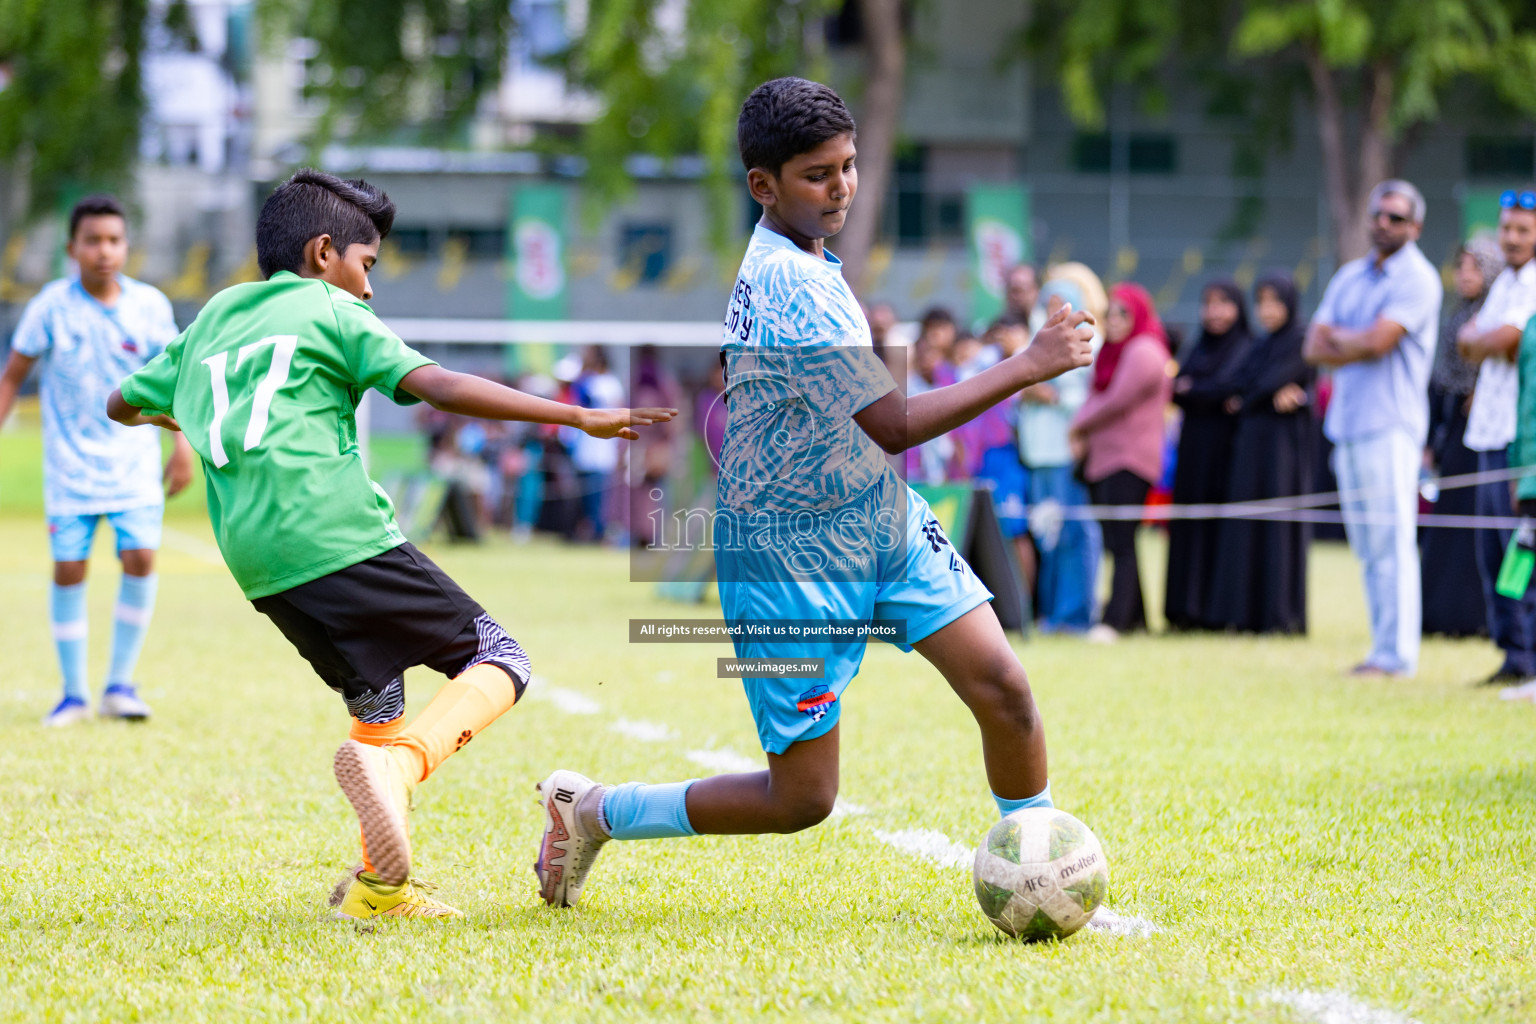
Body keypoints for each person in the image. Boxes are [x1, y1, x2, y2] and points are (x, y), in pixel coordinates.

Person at [530, 76, 1094, 910]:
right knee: (803, 798)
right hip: (786, 555)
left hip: (877, 520)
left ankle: (1038, 859)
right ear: (764, 185)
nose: (841, 188)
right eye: (817, 174)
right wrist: (1027, 364)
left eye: (849, 166)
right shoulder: (792, 281)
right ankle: (596, 814)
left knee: (1004, 688)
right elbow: (895, 422)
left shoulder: (805, 261)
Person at [107, 169, 676, 921]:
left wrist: (210, 417)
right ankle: (401, 769)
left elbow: (121, 403)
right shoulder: (328, 310)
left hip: (259, 563)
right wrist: (573, 419)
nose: (369, 290)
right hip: (333, 530)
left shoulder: (213, 317)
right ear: (322, 253)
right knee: (501, 659)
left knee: (377, 699)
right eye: (366, 266)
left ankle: (380, 891)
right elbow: (438, 386)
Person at [0, 194, 194, 727]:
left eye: (113, 240)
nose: (103, 250)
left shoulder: (150, 306)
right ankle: (72, 694)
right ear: (72, 248)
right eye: (92, 240)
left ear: (126, 246)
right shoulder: (50, 307)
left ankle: (120, 687)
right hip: (69, 469)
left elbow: (177, 383)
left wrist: (182, 447)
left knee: (140, 560)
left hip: (133, 466)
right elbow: (13, 376)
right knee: (68, 568)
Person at [1304, 179, 1443, 678]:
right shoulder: (1349, 277)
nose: (1384, 224)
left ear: (1416, 226)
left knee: (1392, 543)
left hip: (1392, 426)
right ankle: (1380, 649)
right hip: (1347, 424)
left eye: (1396, 217)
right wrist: (1353, 339)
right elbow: (1312, 348)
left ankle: (1397, 656)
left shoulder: (1419, 279)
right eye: (1378, 215)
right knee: (1365, 547)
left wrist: (1344, 337)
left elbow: (1380, 343)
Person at [1207, 272, 1315, 634]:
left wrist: (1254, 396)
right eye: (1262, 302)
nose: (1267, 310)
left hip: (1283, 454)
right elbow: (1235, 383)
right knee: (1246, 528)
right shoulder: (1260, 345)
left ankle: (1279, 616)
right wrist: (1264, 393)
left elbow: (1251, 389)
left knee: (1277, 530)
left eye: (1275, 301)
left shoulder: (1301, 340)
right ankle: (1245, 614)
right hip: (1251, 448)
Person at [1458, 191, 1536, 684]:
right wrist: (1483, 341)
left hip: (1520, 438)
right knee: (1491, 550)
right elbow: (1466, 340)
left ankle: (1530, 655)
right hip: (1487, 431)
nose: (1511, 237)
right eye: (1506, 228)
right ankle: (1513, 653)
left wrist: (1482, 341)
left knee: (1521, 548)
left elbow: (1505, 340)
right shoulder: (1504, 283)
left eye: (1523, 230)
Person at [1069, 282, 1173, 641]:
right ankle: (1135, 620)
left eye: (1122, 313)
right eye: (1110, 312)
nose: (1113, 320)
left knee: (1123, 541)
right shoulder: (1115, 351)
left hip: (1130, 459)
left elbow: (1115, 400)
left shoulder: (1145, 350)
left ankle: (1113, 621)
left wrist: (1076, 427)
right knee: (1117, 541)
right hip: (1106, 459)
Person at [1421, 240, 1501, 638]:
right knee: (1448, 528)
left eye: (1475, 267)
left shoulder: (1499, 313)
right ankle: (1443, 614)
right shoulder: (1458, 316)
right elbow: (1443, 380)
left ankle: (1476, 618)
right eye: (1461, 266)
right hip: (1455, 430)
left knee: (1481, 527)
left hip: (1487, 430)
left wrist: (1483, 389)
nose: (1466, 275)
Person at [1164, 279, 1252, 631]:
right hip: (1192, 453)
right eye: (1208, 303)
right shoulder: (1199, 348)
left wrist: (1197, 390)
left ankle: (1213, 612)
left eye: (1223, 303)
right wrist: (1207, 392)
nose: (1214, 312)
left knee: (1218, 529)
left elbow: (1227, 386)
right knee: (1187, 528)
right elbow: (1178, 389)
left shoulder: (1246, 346)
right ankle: (1183, 610)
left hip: (1226, 454)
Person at [1019, 278, 1102, 633]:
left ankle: (1076, 615)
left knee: (1072, 535)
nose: (1054, 310)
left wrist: (1044, 393)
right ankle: (1053, 615)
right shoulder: (1035, 342)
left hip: (1066, 454)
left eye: (1061, 303)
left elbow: (1083, 401)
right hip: (1037, 455)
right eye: (1048, 302)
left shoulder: (1084, 341)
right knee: (1047, 536)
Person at [1006, 263, 1047, 335]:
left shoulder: (1046, 326)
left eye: (1021, 290)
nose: (1016, 296)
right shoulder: (997, 327)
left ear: (1036, 290)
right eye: (1012, 290)